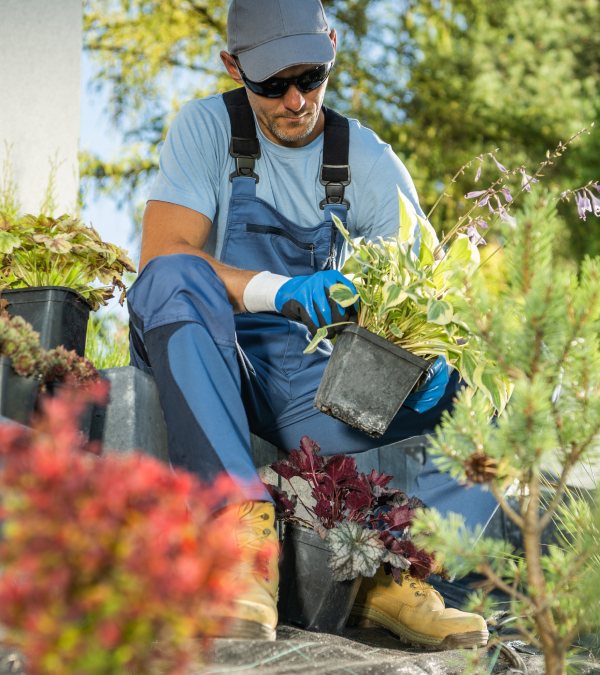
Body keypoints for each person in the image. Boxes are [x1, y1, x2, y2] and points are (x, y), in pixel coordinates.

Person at [127, 0, 497, 648]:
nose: (297, 101)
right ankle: (238, 537)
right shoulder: (208, 130)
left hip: (311, 385)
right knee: (170, 278)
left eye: (311, 76)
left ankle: (395, 572)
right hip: (214, 356)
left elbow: (442, 289)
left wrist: (434, 360)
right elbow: (164, 253)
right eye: (273, 84)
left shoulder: (368, 160)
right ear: (233, 67)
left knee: (470, 397)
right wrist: (279, 290)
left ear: (331, 46)